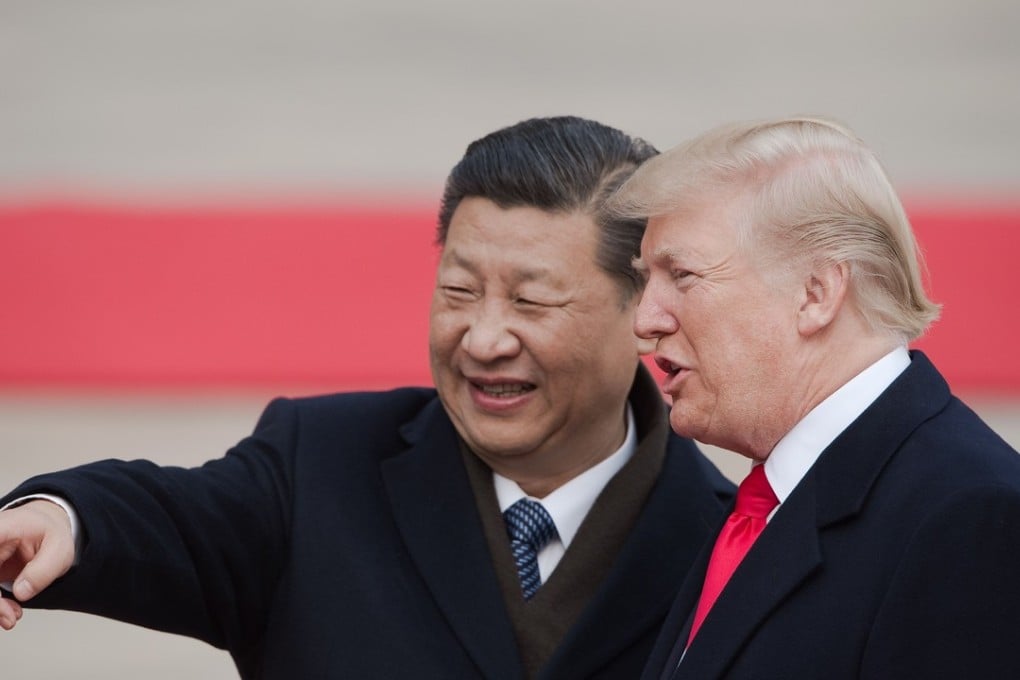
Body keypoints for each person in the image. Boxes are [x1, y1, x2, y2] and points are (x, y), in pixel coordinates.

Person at [0, 116, 734, 679]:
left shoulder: (732, 544)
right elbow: (176, 517)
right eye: (458, 291)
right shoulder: (321, 462)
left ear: (644, 310)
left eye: (532, 302)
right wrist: (63, 518)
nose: (482, 340)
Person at [608, 116, 1020, 679]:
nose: (645, 321)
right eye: (647, 278)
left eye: (681, 274)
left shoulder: (970, 517)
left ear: (816, 293)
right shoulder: (769, 502)